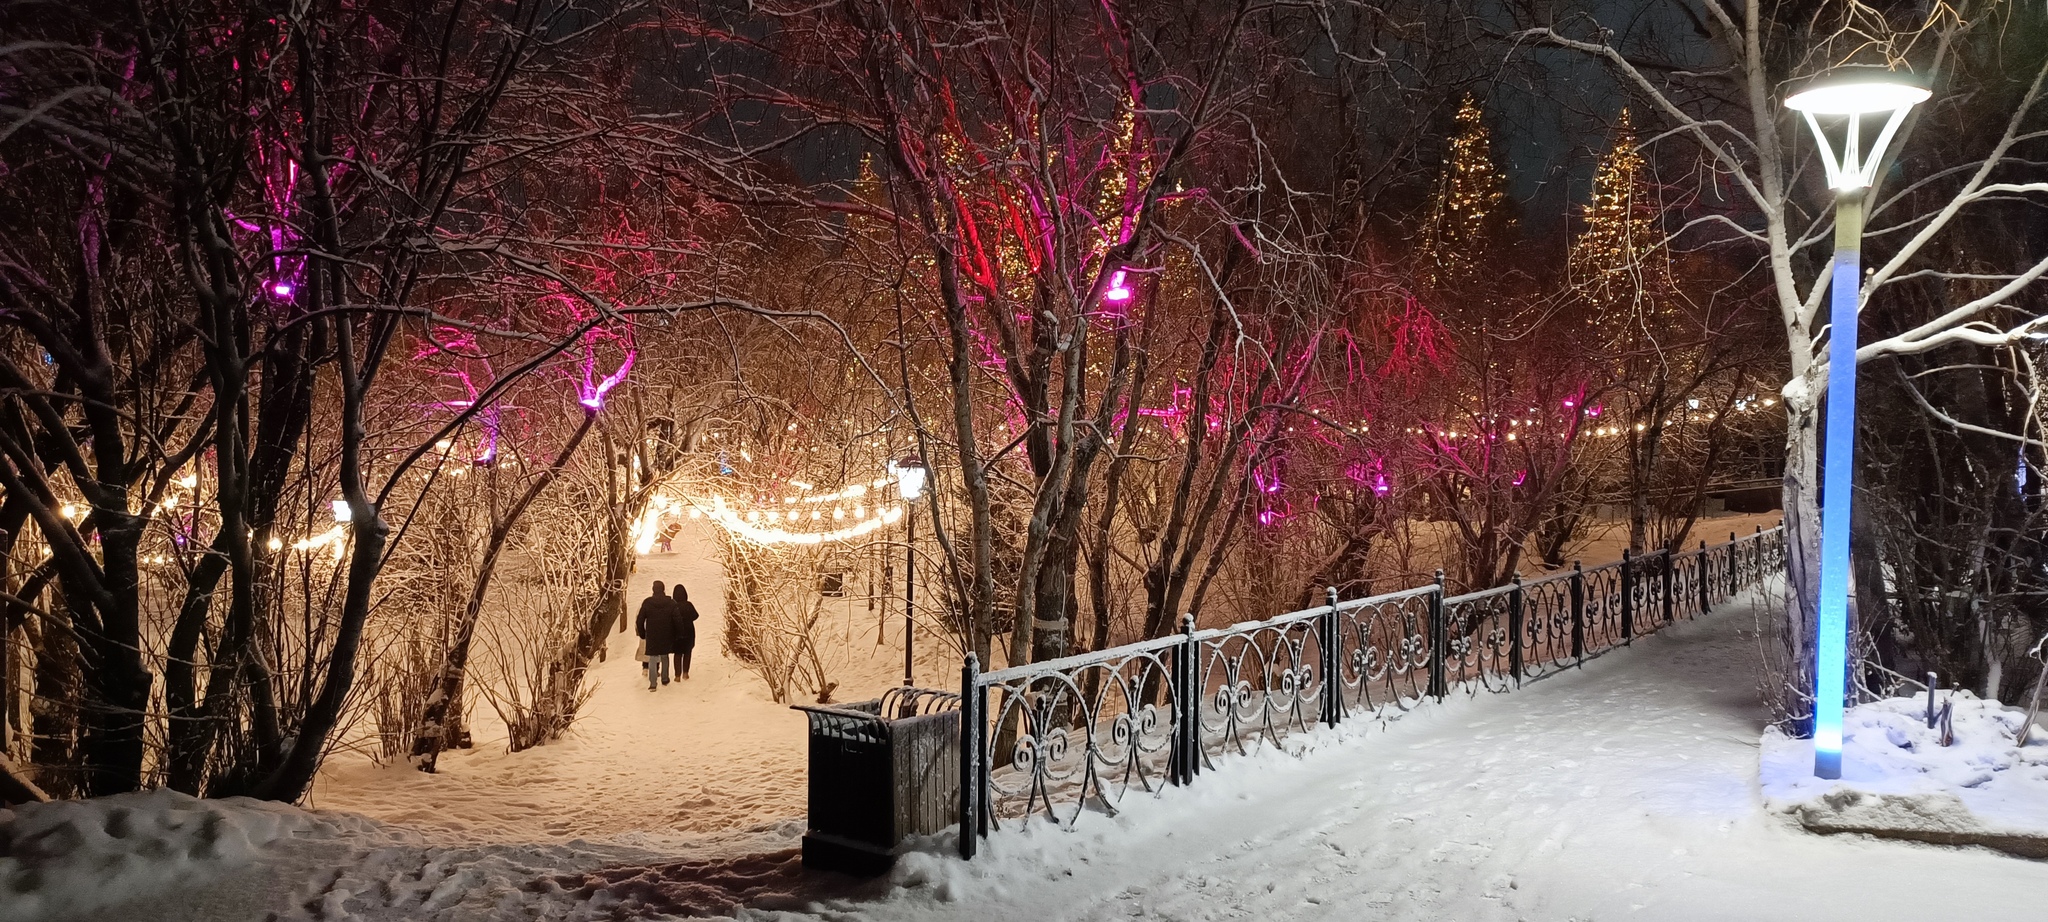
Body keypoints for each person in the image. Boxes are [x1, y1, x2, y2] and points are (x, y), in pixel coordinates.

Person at [636, 581, 680, 690]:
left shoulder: (647, 603)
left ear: (653, 590)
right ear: (663, 589)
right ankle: (665, 678)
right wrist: (678, 633)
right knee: (664, 656)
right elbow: (677, 619)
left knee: (652, 657)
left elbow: (640, 620)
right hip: (667, 633)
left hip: (652, 634)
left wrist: (642, 633)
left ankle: (653, 683)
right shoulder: (671, 603)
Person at [671, 584, 701, 679]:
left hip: (677, 632)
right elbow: (696, 616)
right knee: (687, 652)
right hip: (689, 631)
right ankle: (685, 673)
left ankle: (677, 675)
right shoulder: (688, 605)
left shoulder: (673, 606)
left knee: (677, 653)